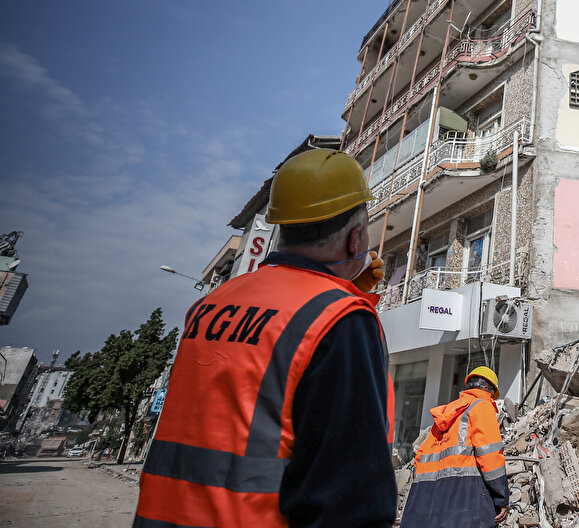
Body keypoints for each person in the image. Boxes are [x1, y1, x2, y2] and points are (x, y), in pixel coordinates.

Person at [134, 149, 396, 527]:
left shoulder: (210, 304)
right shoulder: (339, 319)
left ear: (282, 228)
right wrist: (346, 299)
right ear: (356, 240)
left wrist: (343, 288)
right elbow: (347, 494)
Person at [400, 366, 510, 527]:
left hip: (423, 499)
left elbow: (420, 458)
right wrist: (502, 497)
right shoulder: (482, 406)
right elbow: (490, 454)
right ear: (487, 388)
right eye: (493, 394)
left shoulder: (446, 415)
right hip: (465, 498)